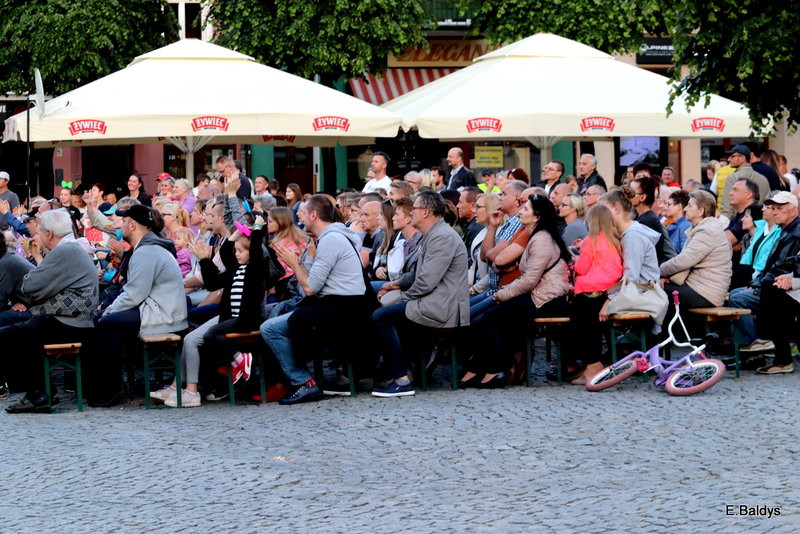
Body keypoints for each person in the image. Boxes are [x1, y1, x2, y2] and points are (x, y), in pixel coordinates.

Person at [151, 218, 275, 407]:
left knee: (207, 335)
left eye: (242, 251)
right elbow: (213, 280)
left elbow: (257, 250)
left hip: (246, 319)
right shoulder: (235, 269)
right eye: (237, 251)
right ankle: (178, 387)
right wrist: (205, 258)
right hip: (230, 318)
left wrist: (256, 228)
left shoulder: (256, 268)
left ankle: (228, 368)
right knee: (191, 338)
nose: (237, 254)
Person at [260, 195, 372, 404]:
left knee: (270, 328)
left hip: (341, 311)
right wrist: (305, 261)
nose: (299, 216)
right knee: (279, 313)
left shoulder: (331, 240)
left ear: (314, 214)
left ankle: (303, 382)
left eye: (303, 212)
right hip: (338, 305)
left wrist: (294, 262)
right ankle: (284, 380)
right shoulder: (331, 237)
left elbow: (310, 288)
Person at [460, 195, 571, 388]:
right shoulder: (536, 236)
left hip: (546, 300)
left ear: (536, 217)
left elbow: (528, 280)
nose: (520, 212)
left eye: (526, 209)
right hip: (536, 296)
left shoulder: (542, 239)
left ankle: (495, 370)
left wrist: (503, 294)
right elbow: (495, 261)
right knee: (482, 318)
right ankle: (481, 368)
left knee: (489, 319)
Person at [372, 191, 469, 397]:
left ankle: (401, 378)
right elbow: (417, 275)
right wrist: (393, 284)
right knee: (386, 309)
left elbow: (425, 282)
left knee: (381, 316)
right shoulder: (433, 234)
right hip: (434, 300)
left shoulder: (442, 237)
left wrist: (401, 299)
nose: (411, 212)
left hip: (443, 307)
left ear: (425, 212)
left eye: (414, 209)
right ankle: (403, 369)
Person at [89, 204, 188, 406]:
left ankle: (110, 391)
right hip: (158, 310)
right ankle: (109, 389)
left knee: (107, 323)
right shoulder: (148, 248)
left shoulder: (147, 251)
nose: (121, 226)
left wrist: (108, 311)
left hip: (163, 316)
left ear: (133, 225)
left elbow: (134, 293)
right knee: (107, 322)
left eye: (124, 222)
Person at [2, 209, 99, 413]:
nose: (35, 235)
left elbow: (29, 286)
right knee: (17, 330)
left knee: (10, 335)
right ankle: (40, 390)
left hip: (70, 323)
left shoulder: (65, 251)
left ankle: (38, 393)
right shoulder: (69, 249)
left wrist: (41, 295)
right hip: (67, 319)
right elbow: (36, 288)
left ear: (50, 234)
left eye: (39, 231)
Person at [566, 204, 624, 383]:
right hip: (608, 292)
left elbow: (582, 268)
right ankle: (590, 365)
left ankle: (592, 366)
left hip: (589, 293)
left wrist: (576, 258)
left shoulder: (592, 240)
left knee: (581, 328)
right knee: (593, 329)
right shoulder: (615, 241)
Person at [659, 190, 733, 328]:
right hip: (700, 288)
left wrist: (659, 271)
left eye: (689, 206)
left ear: (700, 211)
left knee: (658, 292)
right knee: (661, 289)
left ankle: (659, 342)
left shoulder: (707, 231)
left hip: (706, 292)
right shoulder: (704, 228)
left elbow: (684, 260)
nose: (685, 209)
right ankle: (665, 341)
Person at [754, 192, 800, 374]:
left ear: (793, 210)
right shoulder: (786, 230)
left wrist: (792, 280)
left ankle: (766, 341)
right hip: (787, 284)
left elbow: (787, 266)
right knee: (770, 290)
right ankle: (778, 355)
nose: (774, 212)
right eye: (773, 208)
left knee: (772, 291)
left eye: (780, 208)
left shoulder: (795, 232)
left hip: (793, 286)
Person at [630, 175, 676, 265]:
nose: (626, 195)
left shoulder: (647, 221)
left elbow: (642, 255)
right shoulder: (641, 217)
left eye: (631, 192)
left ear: (642, 197)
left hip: (654, 273)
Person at [725, 178, 761, 289]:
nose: (730, 193)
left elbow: (725, 239)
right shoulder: (738, 215)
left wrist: (730, 242)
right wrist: (731, 244)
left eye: (735, 190)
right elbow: (724, 238)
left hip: (750, 271)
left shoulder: (755, 212)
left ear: (749, 194)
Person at [720, 144, 770, 218]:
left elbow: (726, 209)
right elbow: (768, 205)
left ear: (742, 158)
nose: (729, 159)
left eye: (733, 156)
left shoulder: (732, 178)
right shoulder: (763, 179)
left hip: (737, 225)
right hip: (759, 224)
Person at [267, 207, 309, 280]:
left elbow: (281, 273)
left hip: (288, 285)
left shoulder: (279, 245)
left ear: (280, 222)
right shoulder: (301, 237)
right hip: (303, 279)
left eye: (270, 221)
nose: (267, 224)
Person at [456, 187, 484, 258]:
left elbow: (469, 259)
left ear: (473, 206)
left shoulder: (477, 228)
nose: (457, 206)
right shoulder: (472, 226)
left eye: (460, 202)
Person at [665, 189, 692, 253]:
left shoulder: (685, 226)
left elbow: (685, 253)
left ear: (679, 206)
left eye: (669, 204)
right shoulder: (674, 224)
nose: (666, 207)